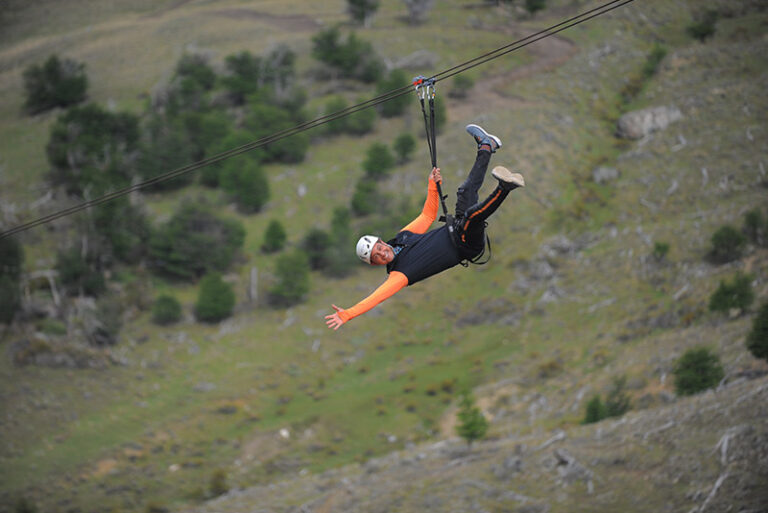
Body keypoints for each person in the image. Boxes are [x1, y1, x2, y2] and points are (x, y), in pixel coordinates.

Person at [325, 124, 525, 330]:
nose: (383, 253)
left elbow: (428, 215)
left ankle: (486, 146)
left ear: (382, 241)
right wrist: (348, 314)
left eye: (380, 248)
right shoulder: (399, 275)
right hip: (465, 245)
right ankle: (505, 187)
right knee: (471, 217)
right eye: (377, 256)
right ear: (375, 264)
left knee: (465, 192)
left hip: (457, 227)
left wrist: (432, 185)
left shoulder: (402, 237)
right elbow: (376, 298)